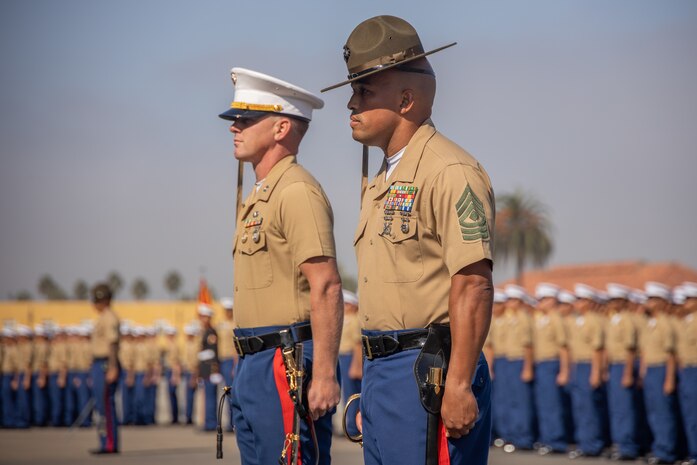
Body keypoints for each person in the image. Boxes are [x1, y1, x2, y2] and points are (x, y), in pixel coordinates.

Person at [322, 15, 495, 465]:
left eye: (364, 92)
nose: (351, 104)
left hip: (430, 371)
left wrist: (457, 385)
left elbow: (473, 282)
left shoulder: (449, 171)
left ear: (405, 99)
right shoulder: (382, 180)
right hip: (385, 373)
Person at [219, 67, 343, 465]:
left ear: (281, 128)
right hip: (253, 361)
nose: (234, 127)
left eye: (247, 119)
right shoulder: (259, 196)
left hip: (284, 361)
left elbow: (325, 285)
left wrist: (324, 374)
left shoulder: (296, 192)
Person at [641, 282, 679, 464]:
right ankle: (659, 448)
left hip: (662, 369)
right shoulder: (650, 324)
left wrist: (670, 379)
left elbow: (671, 354)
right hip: (651, 370)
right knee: (654, 412)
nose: (648, 302)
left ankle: (667, 451)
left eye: (652, 299)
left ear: (662, 301)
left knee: (664, 412)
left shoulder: (665, 324)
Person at [604, 283, 641, 460]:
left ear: (623, 301)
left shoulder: (626, 320)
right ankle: (619, 443)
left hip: (623, 365)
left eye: (615, 300)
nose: (611, 303)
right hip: (613, 365)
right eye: (610, 300)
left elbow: (630, 350)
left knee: (625, 408)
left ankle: (628, 447)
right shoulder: (614, 319)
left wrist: (627, 373)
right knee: (616, 408)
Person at [533, 283, 570, 456]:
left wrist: (564, 371)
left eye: (544, 299)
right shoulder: (542, 318)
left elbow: (563, 347)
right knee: (544, 403)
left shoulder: (556, 318)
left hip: (551, 363)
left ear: (553, 300)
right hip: (541, 364)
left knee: (553, 405)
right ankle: (547, 438)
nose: (541, 302)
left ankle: (556, 441)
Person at [89, 283, 120, 454]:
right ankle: (104, 442)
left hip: (106, 364)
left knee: (106, 405)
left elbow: (112, 344)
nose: (95, 304)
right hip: (99, 364)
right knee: (101, 406)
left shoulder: (109, 318)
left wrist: (112, 367)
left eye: (98, 300)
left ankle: (109, 443)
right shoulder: (102, 317)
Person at [676, 282, 697, 465]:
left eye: (689, 299)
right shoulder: (687, 321)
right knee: (690, 413)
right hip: (687, 370)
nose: (685, 303)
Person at [338, 289, 362, 437]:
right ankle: (351, 425)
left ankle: (353, 428)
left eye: (347, 304)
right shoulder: (345, 320)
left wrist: (356, 365)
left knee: (351, 394)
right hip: (342, 358)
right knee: (347, 394)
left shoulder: (354, 321)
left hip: (350, 358)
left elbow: (357, 345)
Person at [197, 304, 221, 432]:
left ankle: (211, 423)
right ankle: (208, 421)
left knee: (211, 397)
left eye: (204, 317)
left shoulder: (211, 332)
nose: (202, 319)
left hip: (210, 368)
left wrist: (215, 370)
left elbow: (213, 351)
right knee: (207, 397)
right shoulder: (204, 331)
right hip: (204, 369)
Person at [217, 297, 237, 432]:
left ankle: (232, 422)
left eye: (230, 310)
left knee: (230, 392)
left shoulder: (234, 325)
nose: (228, 312)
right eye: (226, 310)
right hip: (222, 360)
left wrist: (235, 364)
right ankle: (228, 421)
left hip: (231, 359)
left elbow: (236, 345)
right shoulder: (221, 325)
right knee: (224, 391)